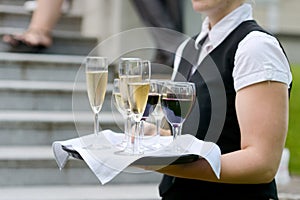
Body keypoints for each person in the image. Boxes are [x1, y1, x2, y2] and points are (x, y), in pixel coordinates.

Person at [142, 0, 293, 199]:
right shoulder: (186, 48)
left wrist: (161, 164)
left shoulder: (256, 48)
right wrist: (154, 136)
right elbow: (184, 137)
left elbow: (262, 164)